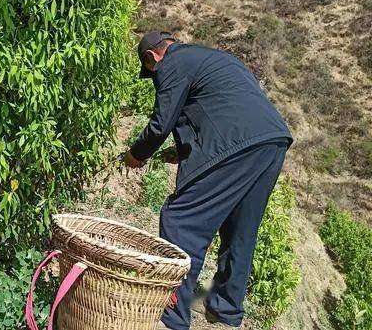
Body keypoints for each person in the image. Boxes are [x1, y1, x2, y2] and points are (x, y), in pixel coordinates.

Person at [124, 31, 293, 330]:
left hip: (237, 145)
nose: (154, 77)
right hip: (272, 142)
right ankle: (225, 310)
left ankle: (172, 315)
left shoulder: (172, 64)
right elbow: (221, 110)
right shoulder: (216, 59)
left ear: (152, 57)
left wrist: (137, 154)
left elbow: (161, 123)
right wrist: (182, 152)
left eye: (150, 72)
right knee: (240, 228)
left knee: (180, 220)